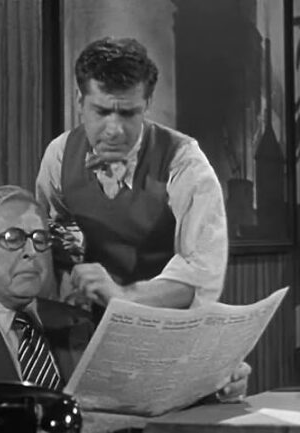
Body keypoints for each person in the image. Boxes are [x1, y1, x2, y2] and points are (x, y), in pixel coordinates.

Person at [0, 185, 248, 433]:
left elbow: (147, 396)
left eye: (40, 239)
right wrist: (38, 417)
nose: (31, 251)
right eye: (12, 238)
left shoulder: (80, 323)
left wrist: (212, 386)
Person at [36, 37, 229, 312]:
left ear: (147, 103)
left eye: (128, 114)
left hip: (165, 321)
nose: (114, 130)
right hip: (84, 319)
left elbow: (202, 277)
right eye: (102, 111)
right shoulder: (59, 154)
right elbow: (51, 237)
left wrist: (123, 296)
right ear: (80, 101)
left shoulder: (185, 162)